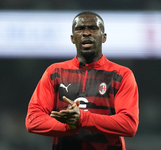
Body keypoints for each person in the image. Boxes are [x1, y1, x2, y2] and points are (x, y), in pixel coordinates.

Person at [25, 11, 139, 150]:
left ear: (104, 37)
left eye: (93, 28)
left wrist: (82, 119)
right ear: (73, 38)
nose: (86, 33)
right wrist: (70, 125)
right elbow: (33, 120)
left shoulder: (122, 75)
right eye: (80, 29)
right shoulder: (55, 73)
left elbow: (129, 125)